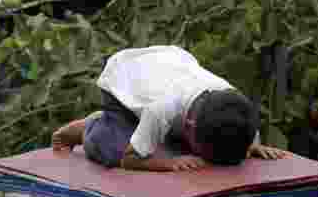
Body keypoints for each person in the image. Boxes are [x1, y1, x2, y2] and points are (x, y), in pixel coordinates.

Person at [51, 45, 289, 171]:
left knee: (179, 148)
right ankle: (92, 125)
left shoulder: (231, 100)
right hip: (122, 80)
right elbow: (130, 160)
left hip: (169, 63)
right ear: (190, 125)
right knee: (116, 151)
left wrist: (251, 145)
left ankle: (153, 137)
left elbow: (243, 126)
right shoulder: (161, 108)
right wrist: (167, 164)